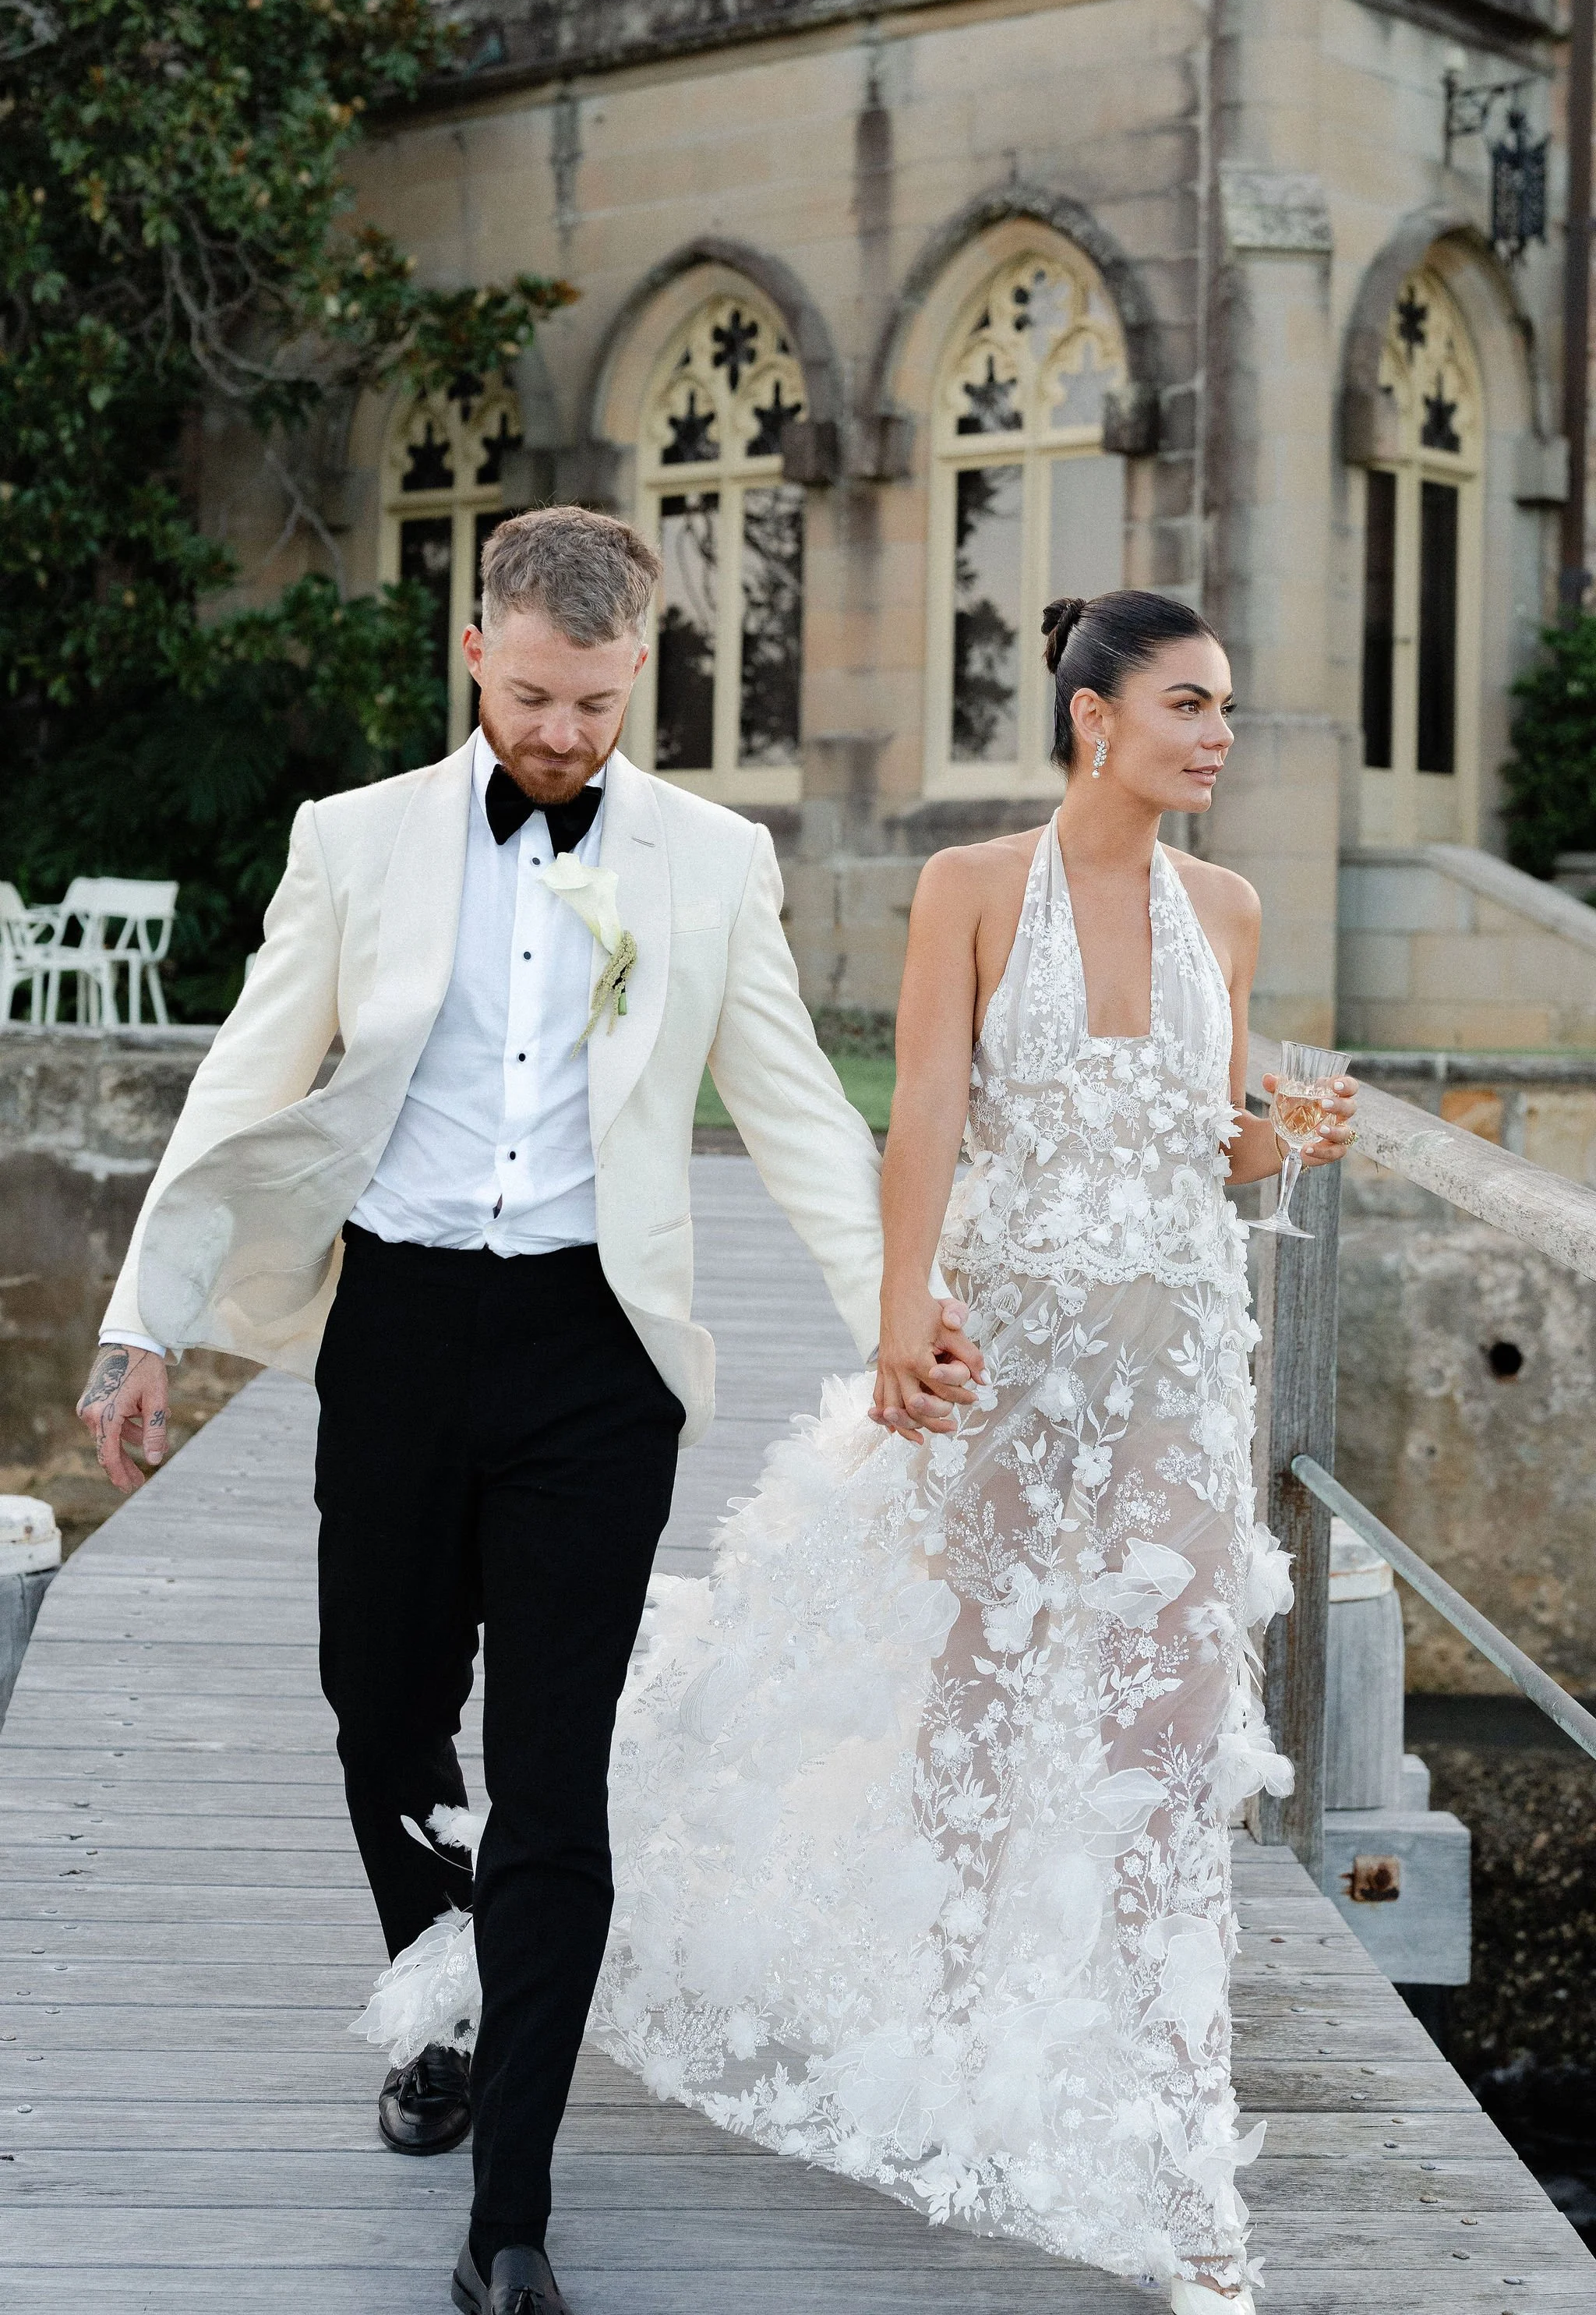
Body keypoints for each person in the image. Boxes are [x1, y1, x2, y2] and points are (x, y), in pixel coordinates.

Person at [356, 588, 1357, 2311]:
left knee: (1172, 1745)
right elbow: (922, 1119)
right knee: (975, 1689)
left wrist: (1290, 1132)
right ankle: (957, 2019)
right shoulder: (970, 890)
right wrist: (901, 1311)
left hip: (1181, 1373)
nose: (1216, 736)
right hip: (1007, 1366)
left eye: (1227, 710)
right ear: (1092, 717)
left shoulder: (1232, 908)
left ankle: (1187, 2159)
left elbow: (1211, 1148)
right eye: (1188, 704)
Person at [73, 504, 982, 2315]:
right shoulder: (354, 841)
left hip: (598, 1356)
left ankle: (512, 2206)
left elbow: (796, 1104)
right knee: (382, 1715)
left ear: (640, 668)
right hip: (398, 1332)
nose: (562, 734)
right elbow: (249, 1077)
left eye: (597, 700)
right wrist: (139, 1329)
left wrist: (896, 1304)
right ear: (475, 648)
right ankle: (435, 1996)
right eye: (536, 694)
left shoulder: (711, 862)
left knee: (556, 1786)